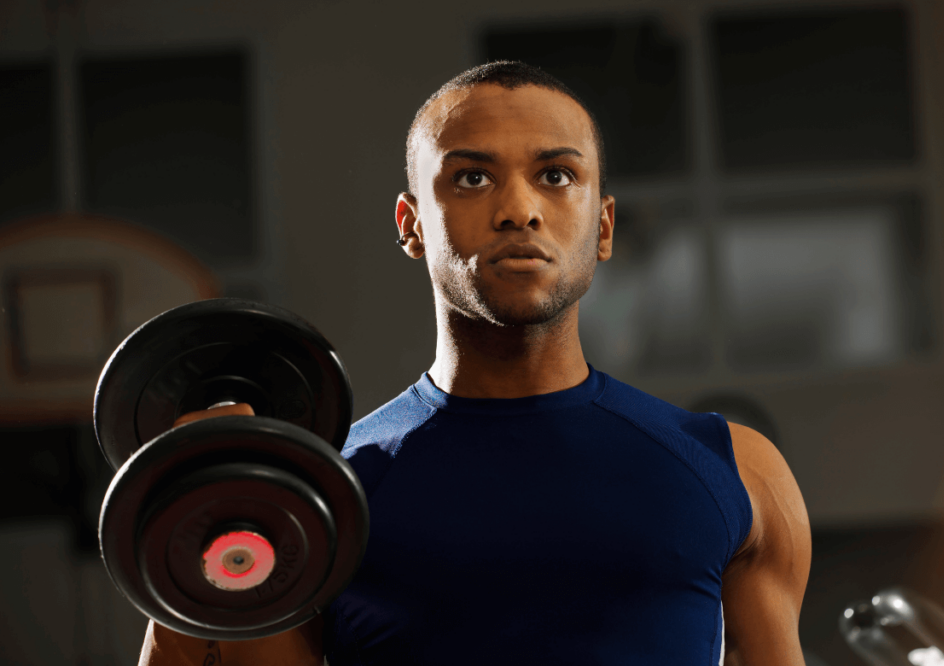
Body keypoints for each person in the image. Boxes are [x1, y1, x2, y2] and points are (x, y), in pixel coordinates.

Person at [140, 61, 811, 666]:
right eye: (471, 178)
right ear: (412, 224)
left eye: (556, 176)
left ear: (603, 226)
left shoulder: (735, 471)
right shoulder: (325, 495)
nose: (519, 210)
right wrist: (195, 502)